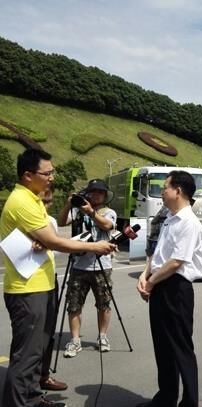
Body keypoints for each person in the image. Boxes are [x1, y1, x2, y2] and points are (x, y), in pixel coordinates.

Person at [0, 148, 115, 407]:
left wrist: (43, 241)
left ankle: (33, 396)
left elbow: (46, 237)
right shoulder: (22, 201)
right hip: (27, 289)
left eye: (53, 172)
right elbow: (54, 239)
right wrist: (94, 246)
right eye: (47, 173)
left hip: (41, 283)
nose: (52, 177)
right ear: (28, 175)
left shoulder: (33, 198)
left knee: (38, 350)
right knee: (26, 354)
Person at [137, 170, 202, 407]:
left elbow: (177, 261)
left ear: (178, 190)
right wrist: (145, 275)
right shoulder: (169, 218)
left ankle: (190, 402)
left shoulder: (188, 222)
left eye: (165, 187)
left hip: (176, 289)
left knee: (180, 348)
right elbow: (158, 253)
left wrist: (151, 282)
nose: (162, 192)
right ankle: (165, 398)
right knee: (162, 347)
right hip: (160, 284)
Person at [57, 179, 117, 357]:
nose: (96, 195)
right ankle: (75, 340)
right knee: (74, 304)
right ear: (88, 193)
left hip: (102, 265)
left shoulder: (108, 212)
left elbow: (107, 225)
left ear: (105, 195)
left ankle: (102, 336)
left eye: (100, 192)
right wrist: (69, 205)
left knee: (104, 303)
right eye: (93, 191)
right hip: (79, 265)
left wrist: (91, 212)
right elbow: (61, 222)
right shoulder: (77, 211)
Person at [38, 187, 68, 392]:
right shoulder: (25, 217)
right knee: (33, 337)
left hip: (50, 278)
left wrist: (48, 245)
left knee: (48, 332)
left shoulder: (50, 221)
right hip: (29, 282)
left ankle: (44, 375)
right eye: (42, 202)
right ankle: (29, 387)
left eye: (48, 202)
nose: (46, 206)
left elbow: (55, 250)